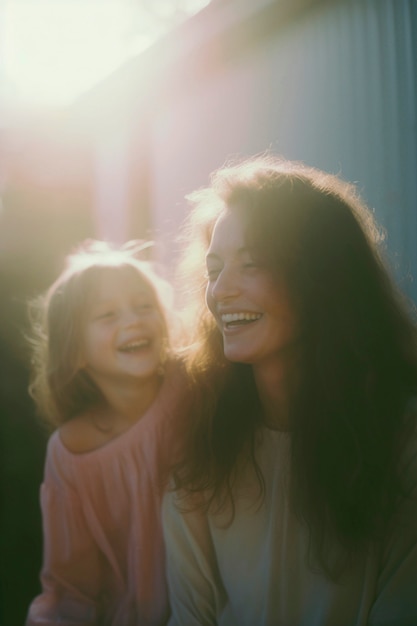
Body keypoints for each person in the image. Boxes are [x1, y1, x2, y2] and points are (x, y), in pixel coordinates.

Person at [162, 155, 417, 626]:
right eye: (214, 269)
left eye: (253, 263)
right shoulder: (199, 436)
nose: (221, 291)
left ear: (322, 276)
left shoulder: (402, 439)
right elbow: (190, 614)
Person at [26, 239, 185, 626]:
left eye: (144, 306)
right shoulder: (72, 452)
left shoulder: (191, 389)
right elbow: (71, 585)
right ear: (75, 350)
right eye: (108, 314)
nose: (133, 320)